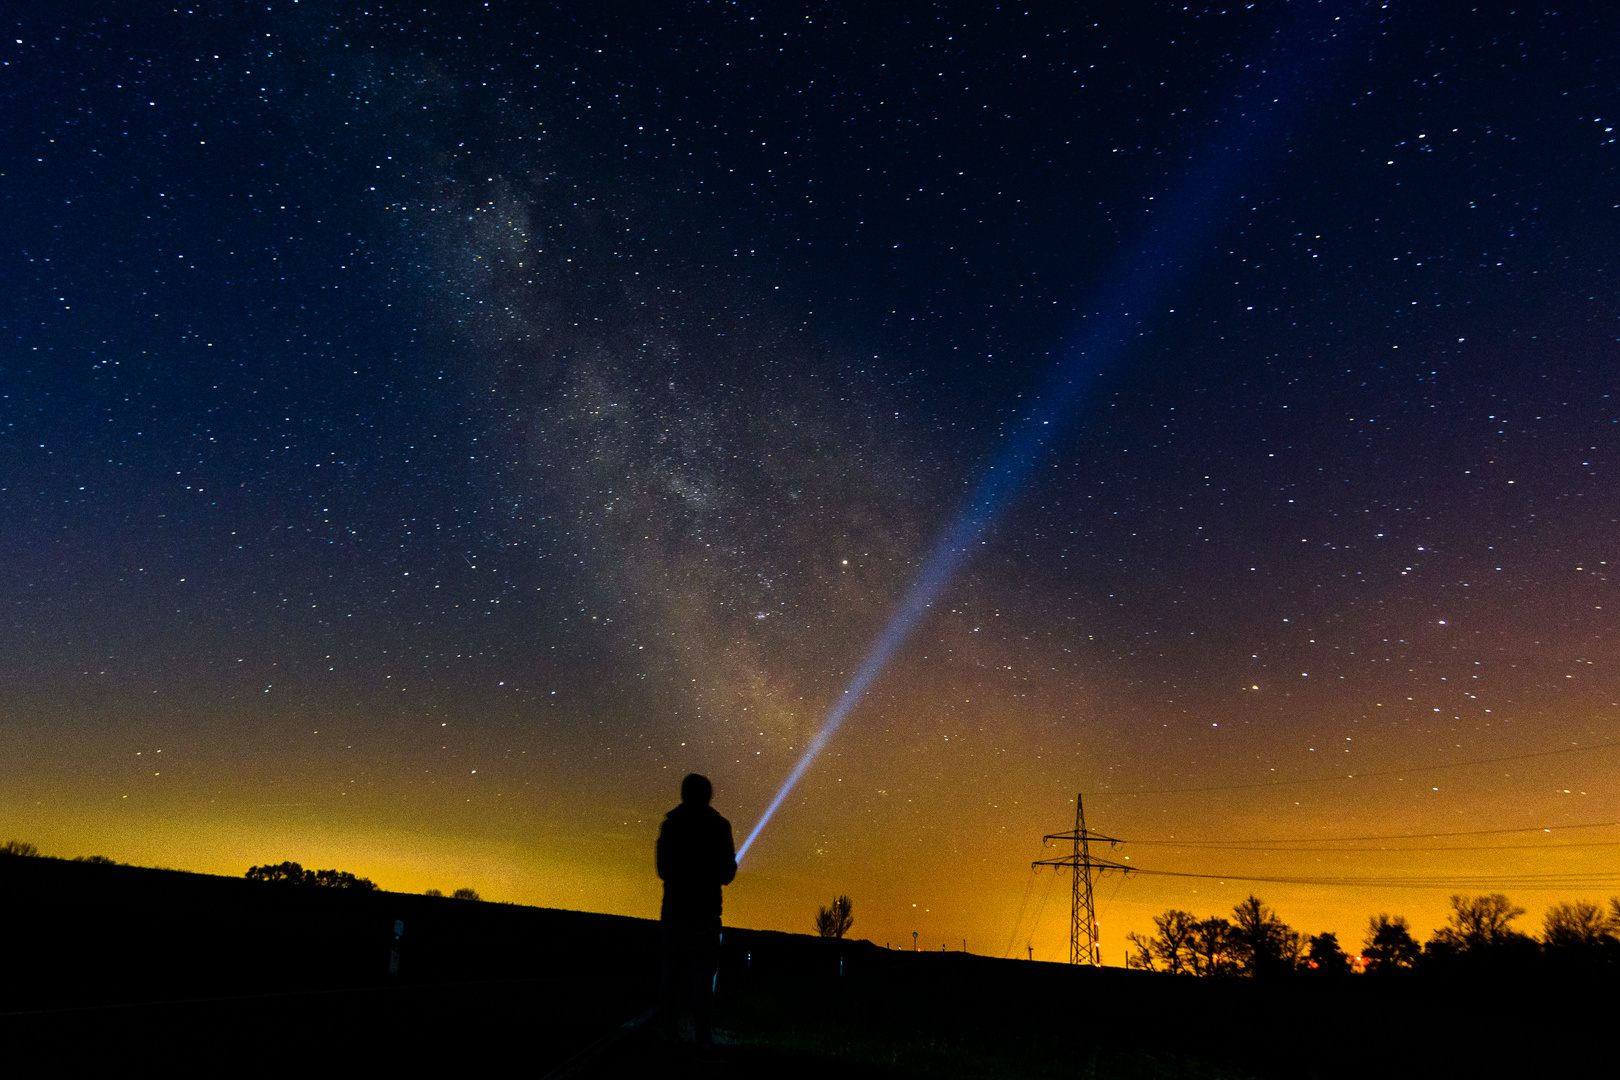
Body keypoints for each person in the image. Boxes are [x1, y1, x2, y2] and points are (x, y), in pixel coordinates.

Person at [655, 772, 736, 1049]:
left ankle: (669, 1034)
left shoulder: (671, 824)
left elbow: (662, 869)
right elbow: (727, 874)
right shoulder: (719, 826)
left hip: (674, 912)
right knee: (703, 979)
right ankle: (702, 1037)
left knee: (671, 975)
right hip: (705, 913)